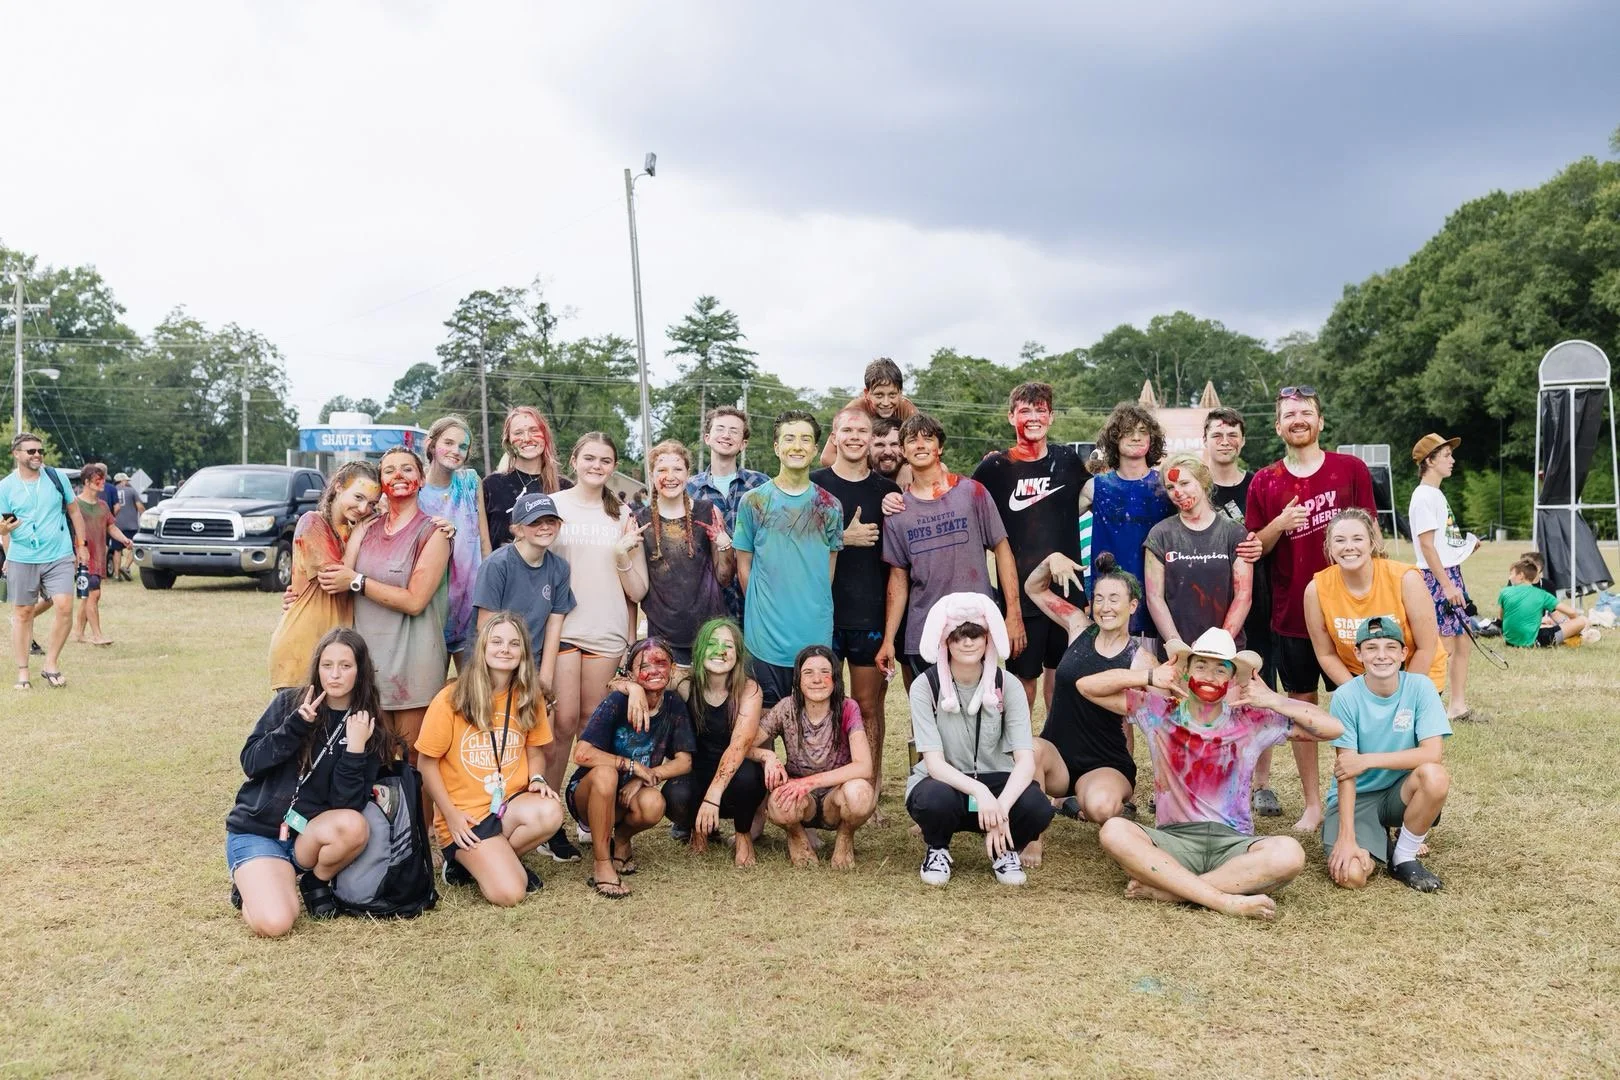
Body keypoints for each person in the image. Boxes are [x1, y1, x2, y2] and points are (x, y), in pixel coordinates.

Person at [1080, 627, 1342, 920]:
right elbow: (1086, 686)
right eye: (1201, 665)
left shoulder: (1253, 721)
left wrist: (1274, 700)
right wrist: (1149, 678)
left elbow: (1333, 729)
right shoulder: (1159, 712)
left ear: (1232, 679)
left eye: (1220, 669)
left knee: (1290, 853)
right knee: (1114, 831)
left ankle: (1173, 891)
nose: (1209, 676)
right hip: (1173, 841)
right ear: (1186, 671)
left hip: (1233, 844)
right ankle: (1224, 900)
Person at [1244, 386, 1375, 833]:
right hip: (1292, 613)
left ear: (1320, 422)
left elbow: (1371, 539)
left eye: (1306, 412)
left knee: (1360, 708)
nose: (1298, 420)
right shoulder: (1265, 481)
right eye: (1289, 414)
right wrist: (1279, 524)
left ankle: (1364, 802)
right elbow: (1252, 549)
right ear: (1278, 426)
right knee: (1302, 709)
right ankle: (1314, 805)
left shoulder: (1350, 469)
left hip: (1354, 615)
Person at [225, 627, 397, 936]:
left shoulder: (366, 725)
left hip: (306, 837)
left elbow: (346, 805)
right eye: (327, 665)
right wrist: (297, 725)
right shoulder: (290, 703)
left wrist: (355, 749)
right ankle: (251, 885)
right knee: (277, 923)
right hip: (259, 832)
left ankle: (314, 878)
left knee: (354, 825)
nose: (335, 675)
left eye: (345, 666)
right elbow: (251, 762)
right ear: (317, 667)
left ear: (360, 671)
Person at [546, 432, 650, 861]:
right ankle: (548, 816)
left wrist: (623, 553)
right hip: (563, 628)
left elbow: (639, 588)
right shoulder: (554, 506)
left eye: (605, 459)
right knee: (561, 724)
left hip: (606, 631)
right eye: (588, 457)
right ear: (573, 460)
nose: (596, 465)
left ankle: (590, 813)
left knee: (592, 724)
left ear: (614, 466)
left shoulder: (622, 513)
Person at [417, 613, 565, 905]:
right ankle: (466, 861)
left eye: (513, 643)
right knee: (510, 893)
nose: (505, 649)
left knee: (551, 812)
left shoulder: (528, 696)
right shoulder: (452, 698)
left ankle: (490, 861)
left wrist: (536, 778)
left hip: (506, 808)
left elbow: (535, 751)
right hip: (465, 818)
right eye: (496, 642)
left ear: (523, 652)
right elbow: (426, 764)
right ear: (482, 648)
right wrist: (451, 815)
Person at [905, 592, 1051, 887]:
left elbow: (1025, 760)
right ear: (945, 641)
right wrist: (980, 793)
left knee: (1038, 806)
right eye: (958, 636)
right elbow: (933, 763)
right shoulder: (925, 685)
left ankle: (1005, 849)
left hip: (996, 782)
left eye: (975, 634)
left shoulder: (1008, 684)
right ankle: (937, 848)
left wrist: (1002, 808)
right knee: (933, 800)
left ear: (989, 639)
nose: (968, 642)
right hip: (948, 784)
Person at [1020, 551, 1152, 867]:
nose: (1106, 607)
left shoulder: (1141, 659)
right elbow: (1034, 589)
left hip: (1105, 761)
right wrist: (1048, 561)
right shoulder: (1078, 626)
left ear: (1132, 606)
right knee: (1031, 749)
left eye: (1115, 599)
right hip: (1058, 759)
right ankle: (1033, 839)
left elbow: (1161, 708)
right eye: (1100, 599)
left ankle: (1087, 799)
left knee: (1101, 809)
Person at [322, 447, 451, 756]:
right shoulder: (365, 529)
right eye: (390, 470)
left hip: (414, 665)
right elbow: (338, 580)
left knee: (415, 762)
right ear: (381, 482)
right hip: (369, 666)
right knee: (373, 762)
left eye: (407, 469)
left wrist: (357, 581)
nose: (398, 475)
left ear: (420, 479)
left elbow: (415, 601)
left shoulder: (434, 533)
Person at [877, 412, 1024, 682]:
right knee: (931, 714)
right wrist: (888, 640)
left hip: (975, 628)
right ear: (903, 450)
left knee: (978, 712)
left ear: (940, 447)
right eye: (912, 440)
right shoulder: (898, 511)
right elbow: (898, 580)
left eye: (928, 439)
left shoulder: (972, 492)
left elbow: (1003, 551)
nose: (920, 445)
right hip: (925, 631)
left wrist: (1013, 613)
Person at [971, 382, 1088, 711]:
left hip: (1067, 595)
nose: (1033, 417)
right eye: (1025, 410)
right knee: (1023, 687)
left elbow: (1093, 501)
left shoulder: (1067, 460)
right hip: (1020, 601)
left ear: (1051, 417)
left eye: (1040, 410)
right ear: (1011, 417)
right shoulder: (994, 468)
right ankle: (1017, 758)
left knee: (1064, 683)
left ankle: (1058, 756)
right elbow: (967, 519)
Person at [1322, 616, 1452, 893]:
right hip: (1358, 797)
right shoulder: (1345, 697)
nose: (1382, 656)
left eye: (1391, 647)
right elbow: (1347, 771)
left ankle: (1403, 856)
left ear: (1404, 653)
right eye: (1371, 648)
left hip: (1398, 792)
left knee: (1435, 776)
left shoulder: (1420, 687)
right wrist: (1347, 837)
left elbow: (1432, 753)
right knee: (1353, 877)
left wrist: (1367, 760)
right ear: (1358, 653)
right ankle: (1377, 838)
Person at [811, 407, 901, 794]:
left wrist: (891, 634)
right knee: (822, 705)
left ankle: (870, 786)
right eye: (846, 429)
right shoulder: (814, 487)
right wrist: (840, 539)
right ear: (835, 435)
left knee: (867, 707)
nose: (854, 436)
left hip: (869, 616)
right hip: (821, 615)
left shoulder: (887, 492)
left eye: (861, 430)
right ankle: (825, 786)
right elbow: (793, 549)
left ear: (870, 437)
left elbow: (900, 566)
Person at [567, 638, 696, 898]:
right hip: (590, 794)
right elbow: (581, 754)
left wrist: (647, 775)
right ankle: (602, 865)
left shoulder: (672, 704)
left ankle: (622, 840)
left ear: (672, 668)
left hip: (629, 795)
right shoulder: (617, 701)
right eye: (645, 665)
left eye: (661, 663)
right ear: (631, 674)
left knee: (654, 803)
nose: (655, 670)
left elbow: (685, 761)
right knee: (605, 774)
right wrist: (631, 765)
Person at [632, 618, 768, 863]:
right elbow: (628, 676)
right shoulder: (685, 682)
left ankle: (743, 835)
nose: (719, 651)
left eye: (728, 645)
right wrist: (632, 690)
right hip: (696, 772)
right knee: (676, 795)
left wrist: (713, 796)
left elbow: (739, 746)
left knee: (749, 778)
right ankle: (698, 828)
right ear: (699, 649)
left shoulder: (749, 690)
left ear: (738, 654)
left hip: (736, 774)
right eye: (712, 644)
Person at [732, 410, 844, 707]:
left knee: (815, 731)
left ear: (815, 449)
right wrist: (764, 609)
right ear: (776, 447)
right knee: (761, 728)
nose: (797, 446)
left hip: (814, 639)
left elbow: (827, 572)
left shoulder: (830, 506)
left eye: (805, 439)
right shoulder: (754, 502)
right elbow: (744, 568)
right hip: (764, 641)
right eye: (789, 439)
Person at [1203, 408, 1281, 814]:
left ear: (1242, 441)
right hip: (1204, 603)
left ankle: (1261, 782)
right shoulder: (1193, 486)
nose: (1225, 440)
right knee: (1206, 692)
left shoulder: (1259, 485)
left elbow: (1272, 540)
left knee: (1256, 692)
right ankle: (1201, 773)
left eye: (1232, 434)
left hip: (1257, 603)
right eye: (1217, 433)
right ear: (1205, 439)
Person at [751, 645, 876, 868]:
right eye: (808, 672)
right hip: (801, 799)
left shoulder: (848, 708)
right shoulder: (786, 708)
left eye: (825, 672)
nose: (817, 679)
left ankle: (845, 837)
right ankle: (796, 834)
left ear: (835, 678)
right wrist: (767, 756)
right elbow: (745, 745)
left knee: (861, 794)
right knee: (779, 804)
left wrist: (809, 783)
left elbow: (864, 766)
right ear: (798, 679)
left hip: (835, 796)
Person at [1303, 508, 1447, 689]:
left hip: (1416, 671)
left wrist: (1403, 696)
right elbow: (1326, 654)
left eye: (1357, 539)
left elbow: (1426, 647)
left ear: (1371, 544)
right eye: (1340, 540)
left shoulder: (1405, 579)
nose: (1349, 546)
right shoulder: (1316, 590)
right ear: (1329, 548)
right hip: (1361, 677)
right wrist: (1358, 694)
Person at [268, 462, 380, 690]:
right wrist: (358, 535)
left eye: (371, 504)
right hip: (302, 649)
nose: (363, 508)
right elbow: (336, 579)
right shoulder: (312, 522)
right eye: (358, 497)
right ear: (338, 487)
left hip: (337, 655)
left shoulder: (355, 531)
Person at [1078, 403, 1175, 640]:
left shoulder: (1168, 488)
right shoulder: (1095, 488)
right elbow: (1056, 526)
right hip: (1109, 606)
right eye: (1128, 431)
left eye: (1143, 432)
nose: (1136, 437)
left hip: (1160, 604)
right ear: (1114, 438)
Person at [1, 432, 88, 690]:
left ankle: (50, 664)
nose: (37, 455)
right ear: (16, 454)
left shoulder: (56, 477)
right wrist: (4, 535)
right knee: (23, 612)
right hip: (23, 556)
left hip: (58, 553)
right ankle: (23, 672)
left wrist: (81, 545)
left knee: (63, 606)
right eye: (31, 451)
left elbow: (74, 511)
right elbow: (5, 523)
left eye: (40, 451)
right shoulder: (5, 486)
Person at [637, 440, 734, 665]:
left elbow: (725, 578)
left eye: (677, 469)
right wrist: (622, 555)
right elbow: (637, 591)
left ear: (688, 474)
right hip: (663, 637)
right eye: (662, 470)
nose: (670, 476)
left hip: (709, 633)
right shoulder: (641, 522)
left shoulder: (708, 512)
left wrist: (725, 545)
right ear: (651, 475)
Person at [471, 491, 575, 699]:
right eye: (535, 522)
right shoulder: (497, 565)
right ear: (517, 529)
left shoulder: (559, 568)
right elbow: (485, 626)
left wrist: (543, 681)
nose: (545, 527)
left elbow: (554, 626)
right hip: (495, 663)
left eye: (550, 521)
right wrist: (502, 676)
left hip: (532, 663)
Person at [1144, 453, 1252, 647]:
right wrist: (1176, 644)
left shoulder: (1233, 532)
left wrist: (1218, 643)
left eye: (1184, 483)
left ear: (1202, 481)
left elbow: (1244, 594)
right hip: (1177, 653)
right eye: (1170, 487)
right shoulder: (1160, 535)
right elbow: (1154, 597)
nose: (1177, 492)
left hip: (1225, 653)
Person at [1409, 433, 1480, 722]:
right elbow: (1426, 546)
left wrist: (1466, 547)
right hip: (1436, 579)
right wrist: (1448, 585)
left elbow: (1441, 544)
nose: (1452, 460)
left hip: (1449, 573)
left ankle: (1458, 707)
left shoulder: (1436, 494)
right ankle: (1425, 710)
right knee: (1442, 647)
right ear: (1429, 460)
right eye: (1447, 455)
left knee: (1462, 641)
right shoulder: (1423, 496)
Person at [418, 415, 493, 669]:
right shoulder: (415, 491)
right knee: (431, 693)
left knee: (473, 689)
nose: (455, 451)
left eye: (463, 446)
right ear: (431, 443)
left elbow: (483, 541)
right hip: (430, 609)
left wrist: (490, 594)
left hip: (470, 606)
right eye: (448, 443)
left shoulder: (471, 481)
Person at [687, 406, 770, 624]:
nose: (726, 435)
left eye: (734, 431)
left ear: (743, 443)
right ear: (707, 437)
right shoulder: (689, 489)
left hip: (753, 599)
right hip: (706, 600)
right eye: (720, 429)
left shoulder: (760, 485)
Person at [482, 406, 572, 550]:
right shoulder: (491, 486)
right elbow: (478, 541)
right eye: (518, 433)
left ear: (545, 435)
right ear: (508, 441)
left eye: (534, 430)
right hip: (501, 571)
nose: (527, 439)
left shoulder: (565, 488)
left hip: (552, 571)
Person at [67, 464, 132, 647]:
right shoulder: (75, 505)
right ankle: (97, 635)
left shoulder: (103, 506)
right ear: (87, 482)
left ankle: (78, 633)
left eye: (103, 479)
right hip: (83, 558)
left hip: (99, 558)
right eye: (98, 480)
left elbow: (111, 526)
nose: (102, 483)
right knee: (93, 594)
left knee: (88, 595)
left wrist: (125, 539)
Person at [819, 356, 918, 468]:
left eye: (892, 395)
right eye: (879, 395)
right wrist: (867, 474)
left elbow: (921, 449)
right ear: (867, 393)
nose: (886, 402)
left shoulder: (906, 409)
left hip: (895, 468)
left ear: (900, 393)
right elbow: (827, 457)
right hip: (864, 469)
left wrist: (907, 468)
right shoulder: (854, 412)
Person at [1500, 557, 1597, 648]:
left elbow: (1502, 617)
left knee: (1546, 626)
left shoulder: (1505, 591)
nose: (1509, 578)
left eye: (1511, 574)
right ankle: (1578, 636)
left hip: (1510, 641)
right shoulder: (1542, 594)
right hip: (1536, 641)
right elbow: (1572, 612)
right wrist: (1573, 625)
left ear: (1521, 575)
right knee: (1582, 620)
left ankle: (1573, 637)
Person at [110, 471, 142, 581]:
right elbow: (139, 506)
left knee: (117, 550)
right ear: (122, 481)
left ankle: (116, 575)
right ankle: (126, 567)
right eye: (127, 481)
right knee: (134, 546)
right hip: (131, 525)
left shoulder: (111, 491)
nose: (128, 482)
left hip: (115, 526)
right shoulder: (132, 491)